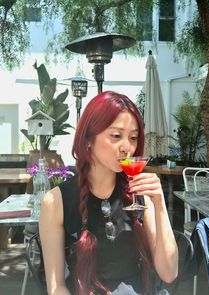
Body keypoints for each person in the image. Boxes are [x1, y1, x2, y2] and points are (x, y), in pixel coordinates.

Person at [39, 91, 178, 295]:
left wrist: (160, 205)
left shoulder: (140, 193)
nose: (127, 147)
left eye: (133, 138)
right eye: (116, 136)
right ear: (88, 140)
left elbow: (169, 273)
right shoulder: (56, 201)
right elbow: (56, 286)